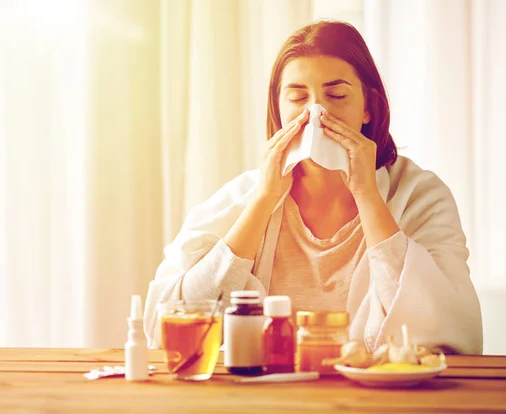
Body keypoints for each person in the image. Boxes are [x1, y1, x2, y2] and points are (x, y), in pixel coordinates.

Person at [144, 20, 483, 354]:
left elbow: (446, 330)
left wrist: (367, 196)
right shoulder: (241, 197)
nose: (316, 113)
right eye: (297, 97)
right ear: (277, 108)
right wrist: (263, 201)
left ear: (369, 107)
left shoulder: (421, 196)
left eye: (336, 95)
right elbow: (168, 327)